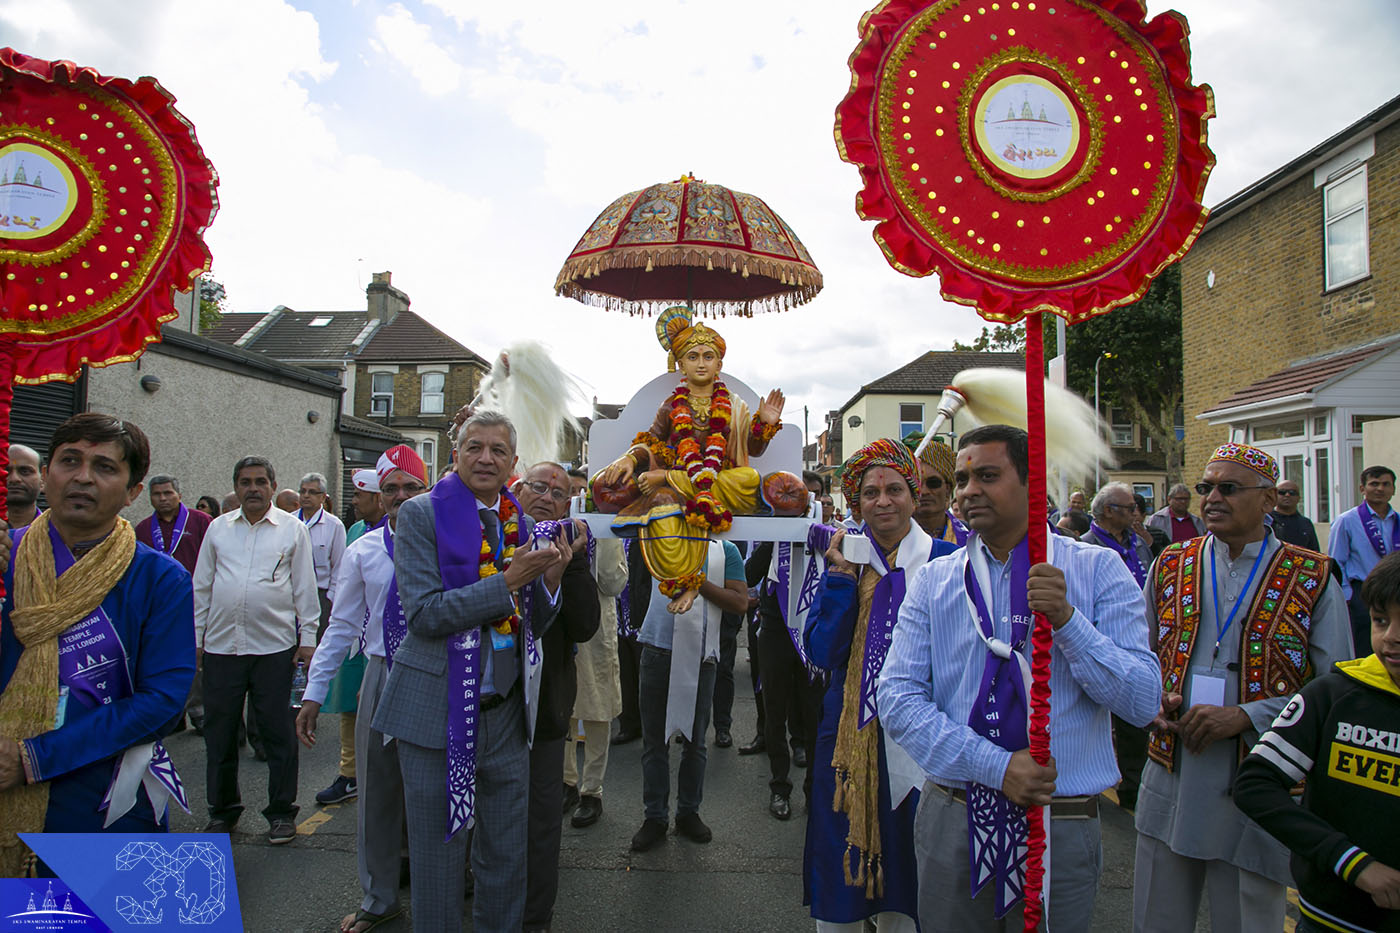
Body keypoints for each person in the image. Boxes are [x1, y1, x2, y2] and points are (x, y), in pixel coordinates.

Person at [879, 425, 1161, 931]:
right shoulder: (936, 580)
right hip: (955, 815)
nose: (968, 491)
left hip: (1061, 821)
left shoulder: (1099, 571)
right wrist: (996, 766)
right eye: (962, 478)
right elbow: (898, 698)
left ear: (1034, 485)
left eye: (987, 475)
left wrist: (1070, 624)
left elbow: (1142, 701)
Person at [1132, 442, 1353, 933]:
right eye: (1206, 487)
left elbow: (1336, 687)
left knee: (1248, 918)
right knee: (1156, 915)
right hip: (1175, 767)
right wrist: (1153, 699)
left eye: (1228, 488)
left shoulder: (1312, 576)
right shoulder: (1170, 563)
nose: (1212, 498)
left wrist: (1247, 716)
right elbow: (1139, 658)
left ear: (1269, 500)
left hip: (1257, 780)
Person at [372, 410, 571, 933]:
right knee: (438, 865)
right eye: (474, 447)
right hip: (435, 714)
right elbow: (425, 614)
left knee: (506, 859)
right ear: (454, 452)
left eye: (498, 451)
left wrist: (550, 581)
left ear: (513, 463)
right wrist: (508, 582)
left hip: (505, 713)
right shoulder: (419, 514)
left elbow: (532, 625)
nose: (486, 458)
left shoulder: (518, 521)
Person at [0, 415, 195, 875]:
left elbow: (164, 701)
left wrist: (34, 758)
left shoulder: (160, 578)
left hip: (104, 794)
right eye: (70, 461)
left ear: (132, 491)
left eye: (105, 467)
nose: (83, 476)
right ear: (47, 473)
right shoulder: (6, 558)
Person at [804, 438, 959, 931]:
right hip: (847, 741)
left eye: (895, 489)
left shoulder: (948, 561)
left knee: (909, 877)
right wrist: (840, 580)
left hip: (920, 741)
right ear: (857, 503)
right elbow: (822, 651)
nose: (883, 501)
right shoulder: (843, 559)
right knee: (841, 863)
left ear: (915, 496)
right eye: (870, 493)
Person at [295, 446, 429, 933]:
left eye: (410, 487)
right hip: (381, 673)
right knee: (376, 793)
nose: (399, 497)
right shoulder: (363, 551)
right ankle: (379, 898)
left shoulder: (449, 544)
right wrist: (314, 693)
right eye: (389, 488)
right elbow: (342, 625)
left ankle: (447, 880)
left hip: (436, 675)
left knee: (436, 788)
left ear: (426, 490)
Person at [1234, 551, 1400, 933]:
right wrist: (1351, 862)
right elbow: (1255, 785)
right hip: (1332, 917)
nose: (1390, 637)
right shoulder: (1334, 695)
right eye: (1380, 620)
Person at [595, 306, 783, 599]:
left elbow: (753, 449)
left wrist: (764, 425)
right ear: (681, 365)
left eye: (708, 357)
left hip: (719, 482)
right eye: (693, 357)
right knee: (660, 501)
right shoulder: (671, 406)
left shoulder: (734, 406)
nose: (701, 364)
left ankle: (668, 480)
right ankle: (684, 581)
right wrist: (629, 458)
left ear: (719, 364)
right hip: (683, 482)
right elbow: (650, 442)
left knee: (748, 477)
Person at [194, 456, 320, 845]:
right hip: (221, 648)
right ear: (236, 486)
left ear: (272, 485)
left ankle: (281, 813)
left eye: (260, 481)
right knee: (220, 734)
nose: (253, 488)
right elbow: (202, 587)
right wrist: (196, 641)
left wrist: (308, 640)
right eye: (246, 482)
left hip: (274, 649)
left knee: (278, 733)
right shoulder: (217, 529)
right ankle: (223, 812)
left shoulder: (292, 530)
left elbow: (305, 587)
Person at [517, 462, 600, 933]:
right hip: (487, 706)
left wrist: (576, 563)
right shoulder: (496, 534)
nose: (547, 496)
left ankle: (535, 917)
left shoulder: (573, 551)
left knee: (541, 821)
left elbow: (584, 625)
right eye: (538, 486)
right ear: (519, 489)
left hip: (546, 710)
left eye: (559, 492)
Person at [630, 530, 748, 852]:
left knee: (695, 741)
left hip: (701, 656)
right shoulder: (659, 539)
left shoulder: (725, 550)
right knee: (655, 741)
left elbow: (740, 602)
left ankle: (688, 812)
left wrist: (700, 583)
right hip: (656, 649)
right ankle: (654, 816)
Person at [747, 471, 827, 821]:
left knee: (812, 716)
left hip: (810, 631)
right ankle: (780, 787)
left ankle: (813, 789)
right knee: (775, 712)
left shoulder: (823, 534)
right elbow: (749, 576)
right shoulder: (766, 530)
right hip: (775, 630)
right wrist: (776, 532)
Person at [1080, 482, 1155, 812]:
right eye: (1129, 509)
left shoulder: (1139, 545)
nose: (1136, 514)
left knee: (1134, 722)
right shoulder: (1085, 549)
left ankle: (1133, 785)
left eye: (1136, 508)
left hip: (1136, 636)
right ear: (1108, 510)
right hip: (1101, 641)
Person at [316, 468, 386, 809]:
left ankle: (375, 772)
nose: (354, 501)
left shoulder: (415, 532)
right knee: (350, 703)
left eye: (360, 495)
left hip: (383, 643)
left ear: (377, 498)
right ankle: (350, 773)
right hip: (356, 638)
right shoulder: (356, 532)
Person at [563, 468, 628, 829]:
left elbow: (614, 582)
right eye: (567, 493)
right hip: (561, 627)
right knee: (565, 708)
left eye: (580, 494)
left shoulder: (608, 532)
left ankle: (592, 790)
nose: (575, 501)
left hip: (597, 629)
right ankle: (567, 781)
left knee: (598, 708)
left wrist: (600, 538)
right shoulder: (552, 530)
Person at [135, 474, 213, 734]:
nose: (163, 499)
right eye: (157, 494)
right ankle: (172, 713)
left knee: (197, 658)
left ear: (179, 494)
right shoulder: (143, 529)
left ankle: (199, 712)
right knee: (166, 660)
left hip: (197, 602)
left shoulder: (201, 522)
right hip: (161, 606)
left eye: (168, 493)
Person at [1328, 465, 1398, 654]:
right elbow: (1336, 561)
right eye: (1374, 484)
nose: (1380, 489)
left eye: (1386, 484)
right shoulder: (1347, 521)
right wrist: (1346, 595)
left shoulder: (1398, 521)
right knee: (1365, 645)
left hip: (1394, 591)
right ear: (1362, 489)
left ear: (1393, 490)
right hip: (1361, 592)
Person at [914, 438, 968, 545]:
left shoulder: (973, 538)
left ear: (947, 489)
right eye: (917, 484)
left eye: (933, 483)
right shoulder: (887, 538)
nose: (924, 492)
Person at [1268, 479, 1320, 552]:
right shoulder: (1267, 520)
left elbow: (1314, 552)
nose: (1287, 495)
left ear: (1299, 498)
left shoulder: (1305, 523)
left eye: (1292, 493)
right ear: (1274, 496)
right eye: (1282, 492)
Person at [6, 444, 42, 530]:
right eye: (5, 471)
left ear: (43, 479)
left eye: (25, 471)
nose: (14, 479)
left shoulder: (61, 532)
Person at [346, 469, 386, 543]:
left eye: (358, 495)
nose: (354, 502)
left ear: (379, 498)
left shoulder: (394, 530)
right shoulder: (355, 530)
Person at [1134, 493, 1169, 558]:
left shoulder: (1159, 534)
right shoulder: (1119, 536)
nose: (1129, 519)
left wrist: (1150, 543)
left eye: (1134, 516)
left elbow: (1167, 558)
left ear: (1143, 516)